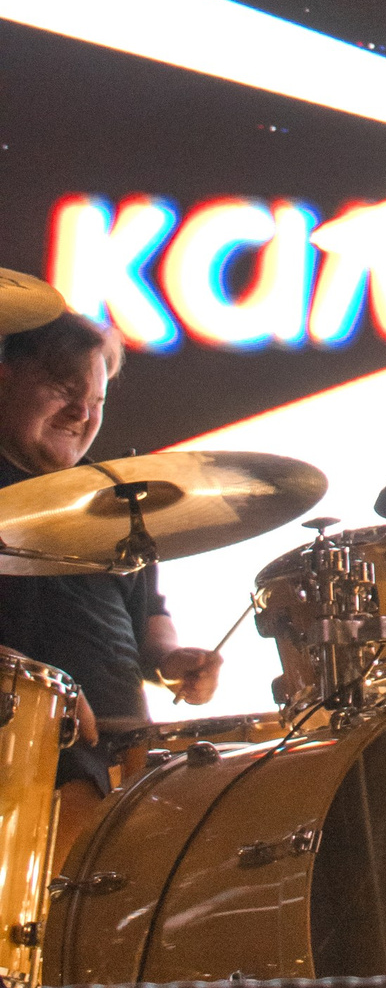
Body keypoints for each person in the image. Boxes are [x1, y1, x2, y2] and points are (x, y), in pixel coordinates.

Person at [0, 291, 222, 860]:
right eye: (63, 389)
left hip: (124, 758)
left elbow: (149, 620)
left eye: (95, 400)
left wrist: (172, 660)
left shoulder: (112, 500)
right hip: (24, 751)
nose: (82, 414)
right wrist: (31, 684)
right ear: (5, 375)